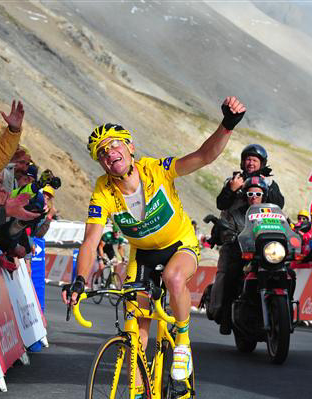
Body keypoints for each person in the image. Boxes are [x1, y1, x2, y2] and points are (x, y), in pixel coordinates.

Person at [62, 96, 246, 386]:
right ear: (101, 163)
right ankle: (137, 389)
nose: (109, 153)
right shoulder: (103, 191)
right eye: (102, 153)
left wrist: (227, 125)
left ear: (130, 147)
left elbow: (204, 156)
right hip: (143, 255)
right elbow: (90, 240)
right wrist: (79, 280)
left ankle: (183, 341)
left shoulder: (157, 169)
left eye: (114, 145)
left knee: (174, 279)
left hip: (180, 244)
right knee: (135, 332)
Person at [207, 176, 269, 333]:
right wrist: (228, 234)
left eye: (258, 194)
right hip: (244, 256)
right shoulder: (237, 213)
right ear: (245, 196)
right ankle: (226, 318)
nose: (254, 197)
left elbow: (285, 227)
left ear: (264, 195)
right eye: (250, 194)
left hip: (267, 256)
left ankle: (286, 307)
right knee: (231, 274)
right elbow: (227, 230)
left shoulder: (272, 212)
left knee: (288, 273)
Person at [216, 144, 284, 212]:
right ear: (243, 162)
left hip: (258, 221)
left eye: (254, 160)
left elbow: (279, 206)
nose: (251, 163)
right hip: (232, 221)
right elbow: (220, 205)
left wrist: (269, 188)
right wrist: (230, 190)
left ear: (262, 163)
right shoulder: (235, 181)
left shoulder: (268, 183)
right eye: (248, 160)